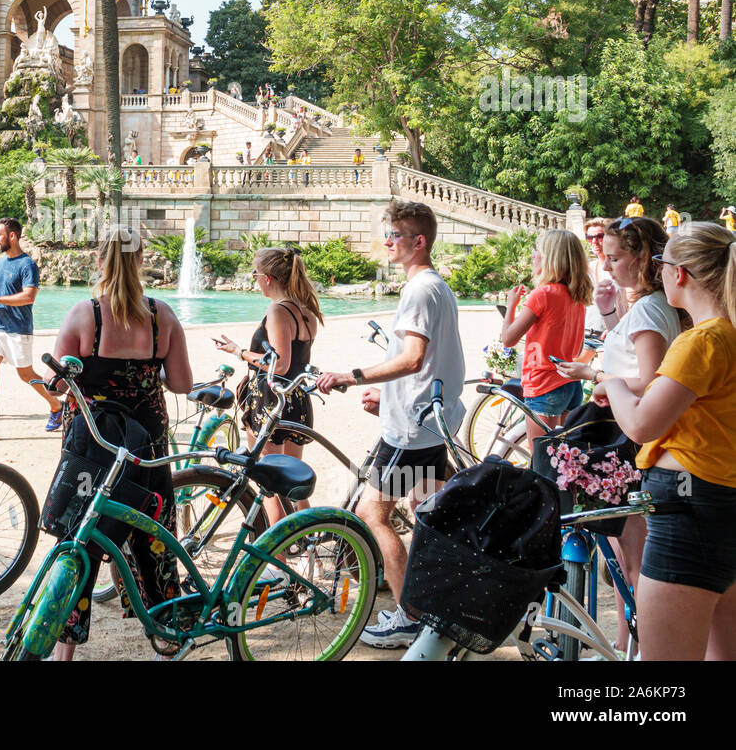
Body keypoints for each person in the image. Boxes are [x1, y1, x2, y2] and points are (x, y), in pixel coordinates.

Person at [316, 200, 465, 647]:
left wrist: (352, 374)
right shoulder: (436, 285)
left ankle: (408, 617)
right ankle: (430, 609)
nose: (387, 242)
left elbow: (413, 357)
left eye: (395, 235)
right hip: (426, 420)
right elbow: (427, 362)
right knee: (425, 518)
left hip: (410, 430)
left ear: (419, 241)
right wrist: (388, 393)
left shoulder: (419, 290)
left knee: (371, 513)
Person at [43, 225, 193, 660]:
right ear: (142, 260)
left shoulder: (84, 315)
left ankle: (63, 654)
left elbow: (58, 385)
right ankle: (165, 637)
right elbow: (182, 382)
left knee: (79, 537)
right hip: (146, 443)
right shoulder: (161, 316)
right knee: (153, 534)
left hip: (95, 445)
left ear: (100, 261)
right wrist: (149, 375)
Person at [593, 222, 736, 660]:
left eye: (662, 261)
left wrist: (609, 382)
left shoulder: (704, 341)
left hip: (689, 512)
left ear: (681, 274)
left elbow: (641, 425)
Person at [555, 216, 680, 653]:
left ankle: (642, 646)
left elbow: (652, 378)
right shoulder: (653, 303)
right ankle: (630, 642)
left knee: (635, 561)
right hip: (632, 434)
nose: (605, 267)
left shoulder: (649, 307)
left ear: (642, 257)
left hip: (628, 438)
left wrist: (596, 375)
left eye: (614, 258)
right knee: (630, 558)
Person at [213, 246, 323, 526]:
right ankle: (307, 536)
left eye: (255, 273)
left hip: (270, 399)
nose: (254, 279)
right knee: (293, 481)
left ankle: (278, 557)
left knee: (268, 484)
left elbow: (280, 364)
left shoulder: (278, 310)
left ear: (269, 278)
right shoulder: (307, 308)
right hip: (296, 399)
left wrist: (238, 351)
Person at [0, 217, 63, 441]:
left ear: (12, 236)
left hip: (18, 329)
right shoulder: (0, 261)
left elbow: (29, 296)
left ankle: (56, 405)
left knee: (25, 374)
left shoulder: (27, 264)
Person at [500, 229, 592, 451]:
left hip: (544, 384)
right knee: (563, 458)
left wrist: (511, 305)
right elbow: (577, 346)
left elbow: (508, 339)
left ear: (551, 258)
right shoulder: (577, 295)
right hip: (570, 384)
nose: (534, 256)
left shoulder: (542, 294)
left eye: (538, 251)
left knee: (542, 462)